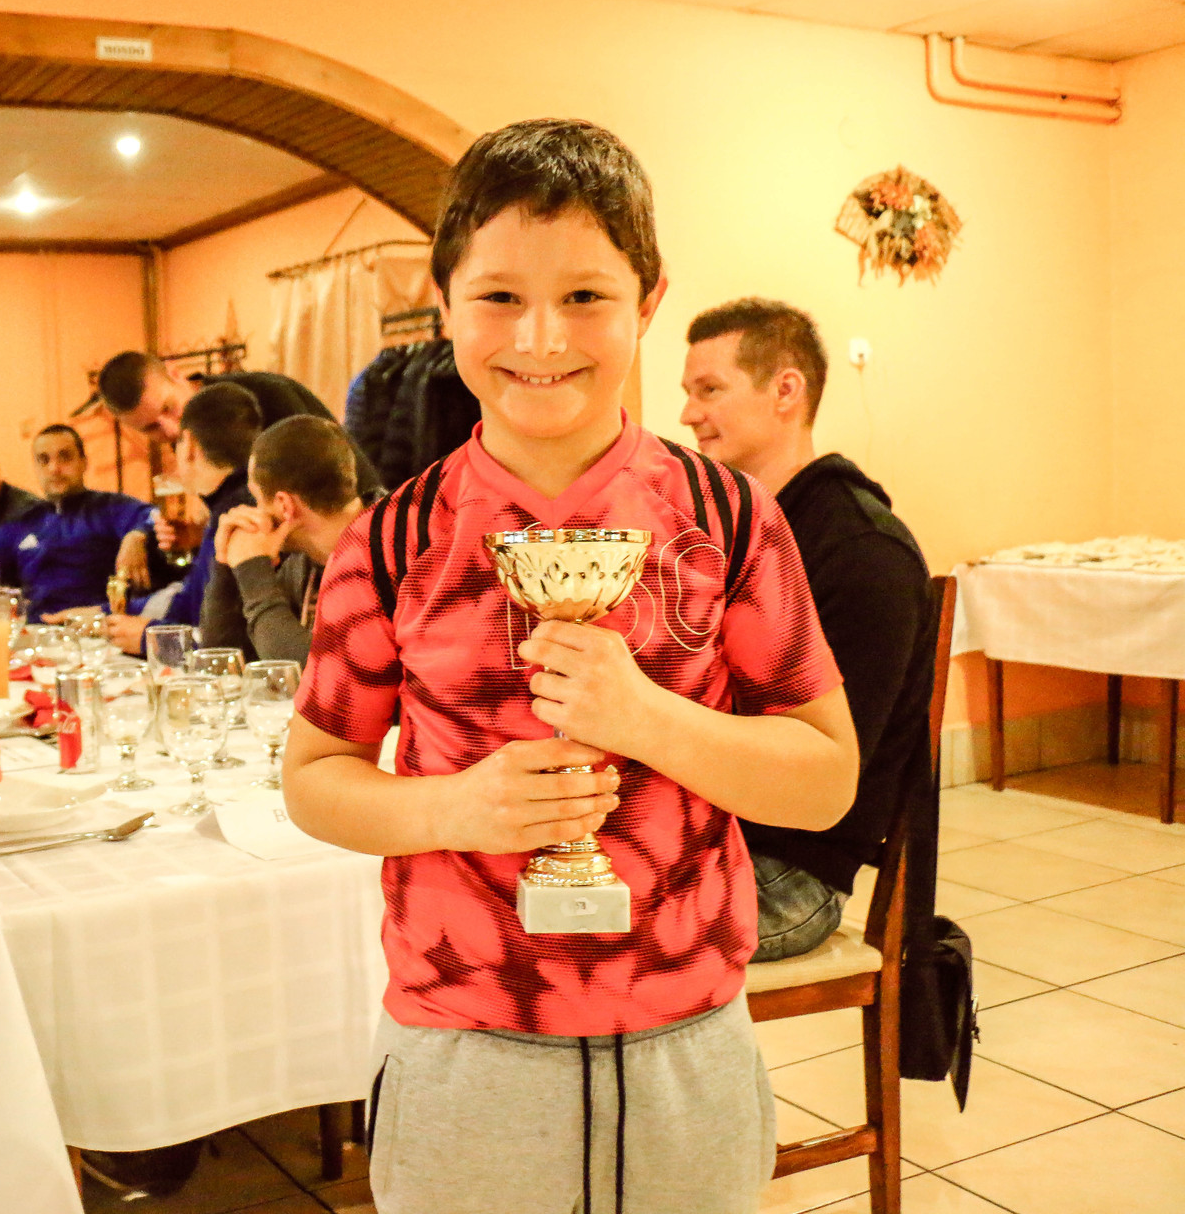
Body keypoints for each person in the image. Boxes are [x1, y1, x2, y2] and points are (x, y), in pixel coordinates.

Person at [284, 120, 857, 1214]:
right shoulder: (391, 539)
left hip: (687, 1034)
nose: (541, 336)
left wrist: (647, 718)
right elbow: (315, 776)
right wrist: (453, 806)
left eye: (586, 296)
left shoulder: (733, 519)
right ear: (444, 305)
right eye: (498, 296)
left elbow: (826, 777)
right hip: (464, 1044)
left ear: (648, 301)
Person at [681, 297, 935, 964]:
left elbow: (822, 781)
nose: (687, 414)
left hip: (787, 870)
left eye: (709, 390)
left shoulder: (863, 550)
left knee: (565, 938)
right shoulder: (731, 525)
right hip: (712, 828)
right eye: (689, 392)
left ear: (785, 391)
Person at [199, 415, 373, 665]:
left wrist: (253, 573)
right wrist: (227, 564)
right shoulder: (303, 561)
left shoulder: (388, 551)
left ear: (285, 505)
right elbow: (223, 665)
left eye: (257, 499)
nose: (255, 511)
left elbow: (322, 673)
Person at [104, 383, 259, 654]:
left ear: (189, 445)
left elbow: (233, 647)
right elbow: (188, 606)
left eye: (175, 444)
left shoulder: (238, 516)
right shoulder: (228, 505)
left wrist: (150, 639)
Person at [98, 349, 383, 497]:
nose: (171, 429)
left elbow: (319, 486)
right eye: (151, 428)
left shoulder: (266, 394)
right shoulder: (188, 433)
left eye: (168, 408)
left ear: (175, 373)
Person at [0, 424, 151, 619]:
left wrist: (136, 536)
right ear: (35, 468)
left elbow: (154, 517)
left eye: (65, 457)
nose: (54, 469)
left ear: (84, 462)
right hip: (35, 630)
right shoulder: (22, 523)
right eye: (44, 460)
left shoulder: (111, 508)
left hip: (96, 626)